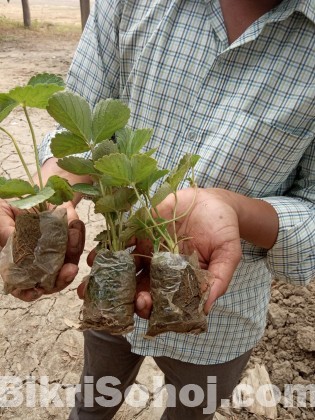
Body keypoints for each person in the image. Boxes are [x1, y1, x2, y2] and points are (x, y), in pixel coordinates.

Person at [0, 0, 314, 418]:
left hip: (222, 318)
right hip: (112, 286)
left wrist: (232, 208)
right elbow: (74, 127)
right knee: (93, 404)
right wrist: (47, 205)